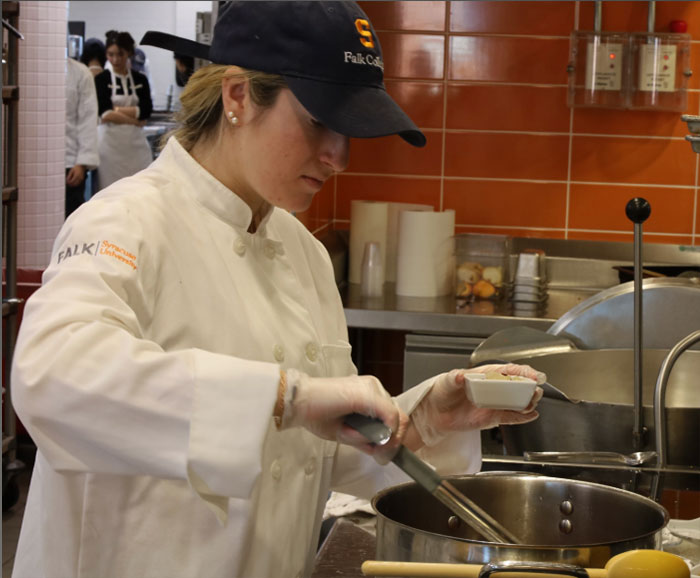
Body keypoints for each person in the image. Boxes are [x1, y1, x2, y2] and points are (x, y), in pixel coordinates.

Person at [10, 3, 545, 577]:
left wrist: (424, 419)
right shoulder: (124, 222)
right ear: (238, 96)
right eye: (320, 121)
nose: (339, 156)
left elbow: (309, 454)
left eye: (350, 131)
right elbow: (50, 378)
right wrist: (284, 396)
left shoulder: (305, 254)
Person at [94, 30, 153, 191]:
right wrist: (135, 120)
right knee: (109, 192)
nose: (115, 59)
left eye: (120, 54)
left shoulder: (141, 80)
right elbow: (104, 113)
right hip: (109, 147)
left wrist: (116, 110)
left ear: (129, 53)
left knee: (140, 189)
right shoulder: (101, 80)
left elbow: (146, 110)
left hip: (136, 146)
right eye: (110, 54)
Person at [65, 56, 99, 218]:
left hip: (71, 164)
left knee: (71, 217)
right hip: (36, 163)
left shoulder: (81, 73)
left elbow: (88, 119)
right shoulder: (32, 71)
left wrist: (82, 163)